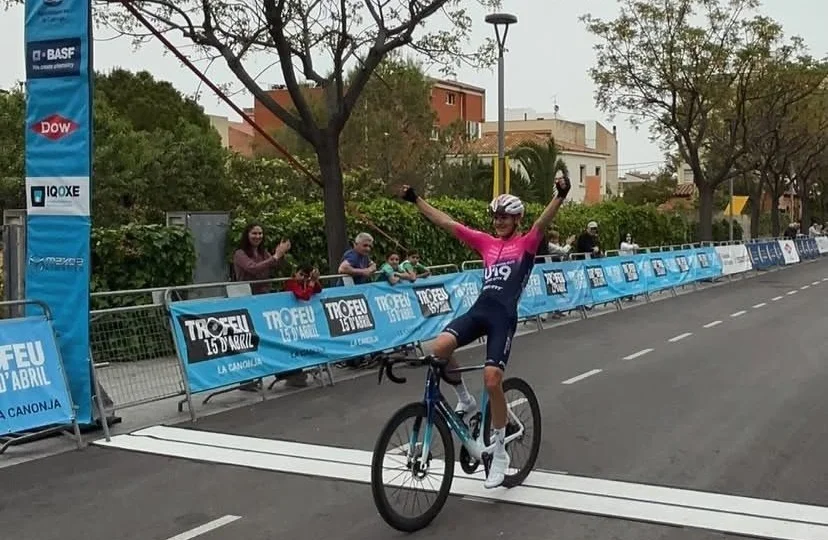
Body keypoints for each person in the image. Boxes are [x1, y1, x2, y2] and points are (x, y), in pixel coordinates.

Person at [398, 176, 571, 489]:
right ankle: (466, 400)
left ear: (517, 219)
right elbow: (448, 223)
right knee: (439, 348)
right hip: (479, 310)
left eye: (504, 217)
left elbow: (543, 223)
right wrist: (416, 199)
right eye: (495, 217)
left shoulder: (526, 243)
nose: (498, 222)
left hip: (502, 317)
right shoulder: (486, 244)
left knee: (492, 379)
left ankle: (500, 453)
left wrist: (560, 195)